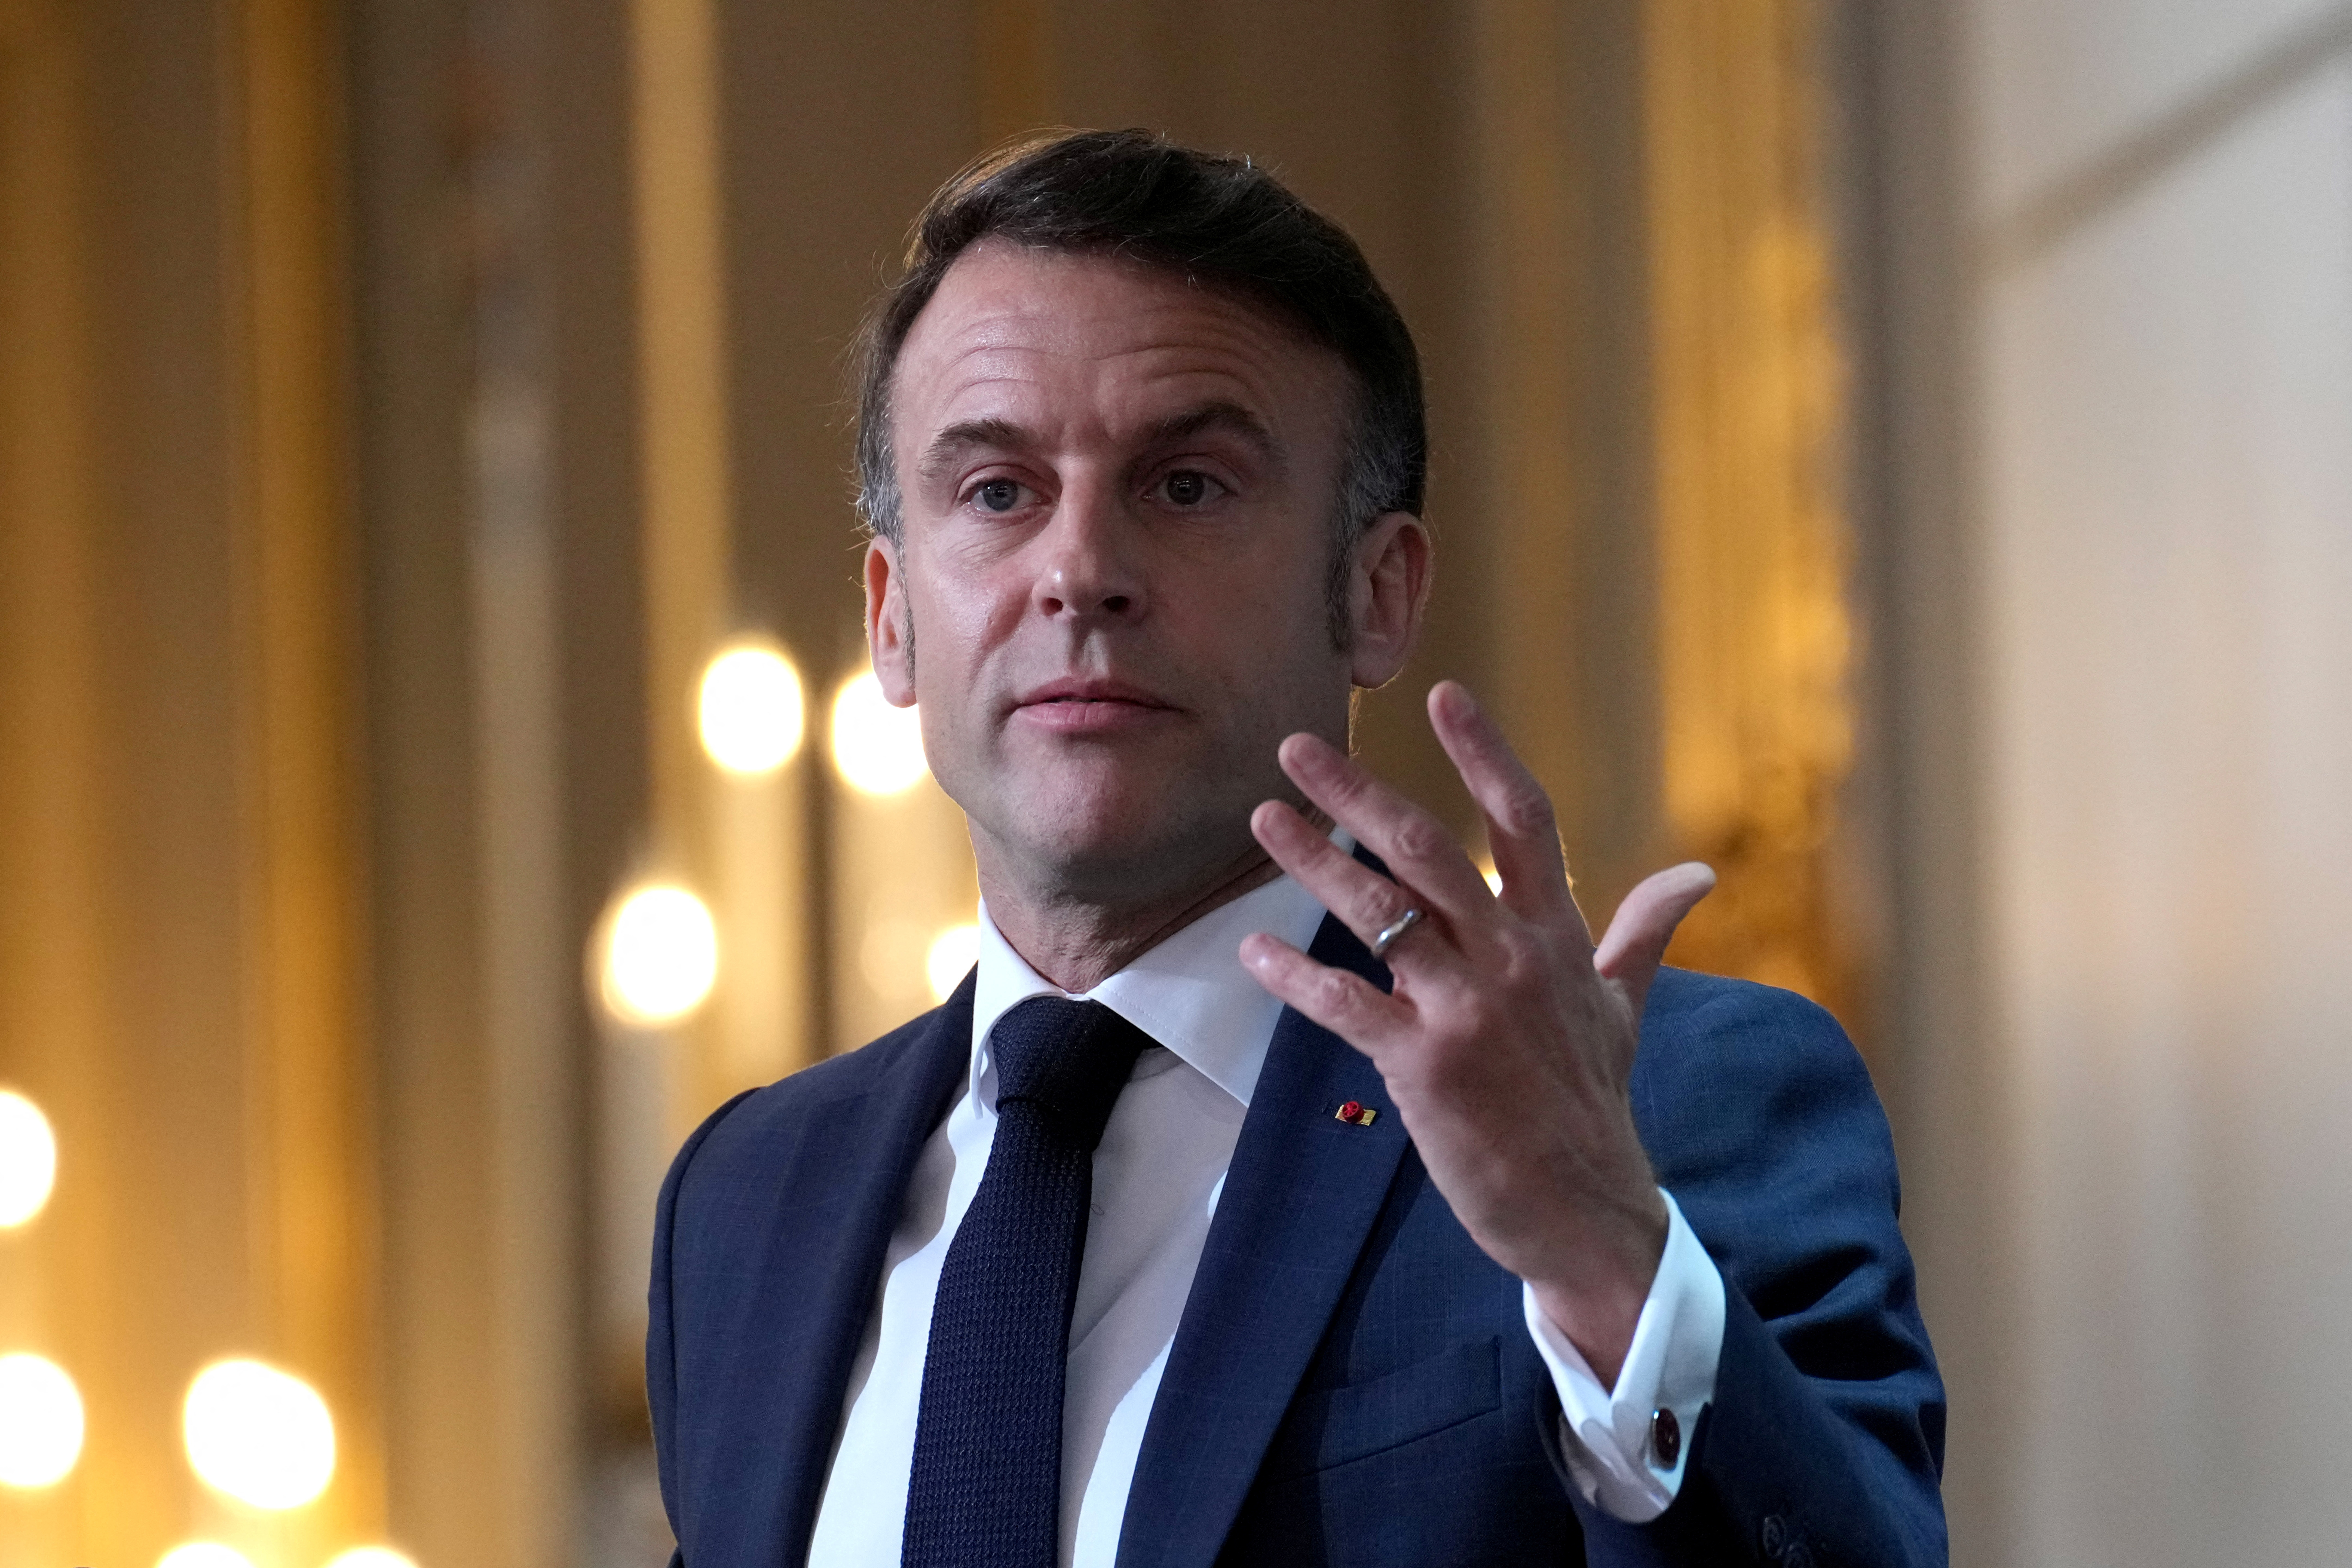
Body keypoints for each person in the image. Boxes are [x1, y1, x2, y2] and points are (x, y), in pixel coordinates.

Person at [647, 128, 1944, 1568]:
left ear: (1376, 593)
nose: (1080, 571)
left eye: (1188, 486)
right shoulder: (746, 1203)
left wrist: (1606, 1263)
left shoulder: (1654, 1102)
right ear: (892, 617)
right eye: (999, 492)